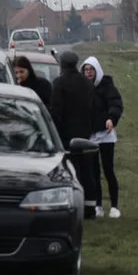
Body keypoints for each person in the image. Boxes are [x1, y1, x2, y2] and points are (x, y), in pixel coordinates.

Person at [49, 50, 103, 219]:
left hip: (65, 135)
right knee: (87, 170)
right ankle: (90, 207)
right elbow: (93, 108)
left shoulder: (59, 83)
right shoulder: (86, 83)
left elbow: (56, 111)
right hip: (84, 133)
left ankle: (72, 206)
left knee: (70, 171)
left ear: (62, 65)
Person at [81, 56, 124, 218]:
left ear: (97, 71)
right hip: (90, 135)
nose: (88, 73)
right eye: (85, 70)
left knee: (108, 170)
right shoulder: (82, 89)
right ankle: (97, 205)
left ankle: (114, 205)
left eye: (91, 70)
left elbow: (115, 104)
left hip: (105, 134)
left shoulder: (107, 87)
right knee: (93, 172)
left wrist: (111, 119)